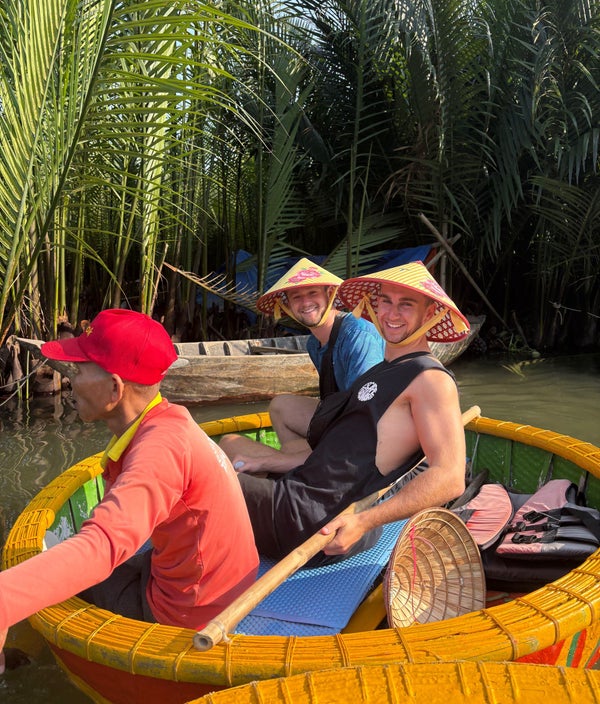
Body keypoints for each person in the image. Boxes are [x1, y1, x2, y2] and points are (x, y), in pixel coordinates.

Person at [0, 309, 258, 672]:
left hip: (193, 611)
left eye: (79, 369)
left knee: (54, 587)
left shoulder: (159, 450)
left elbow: (102, 547)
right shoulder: (168, 419)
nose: (70, 379)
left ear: (115, 388)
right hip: (208, 582)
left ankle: (26, 661)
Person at [224, 261, 471, 563]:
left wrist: (364, 522)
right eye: (385, 302)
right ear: (374, 306)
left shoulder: (430, 379)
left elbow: (450, 477)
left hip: (308, 521)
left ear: (430, 314)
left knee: (197, 466)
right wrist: (271, 463)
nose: (392, 314)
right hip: (300, 498)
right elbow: (344, 451)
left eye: (406, 305)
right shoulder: (385, 369)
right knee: (224, 452)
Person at [219, 257, 384, 468]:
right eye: (296, 297)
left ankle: (294, 465)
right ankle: (299, 467)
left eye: (313, 293)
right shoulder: (313, 344)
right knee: (280, 407)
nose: (305, 303)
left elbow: (367, 409)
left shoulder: (358, 334)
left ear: (330, 294)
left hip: (370, 432)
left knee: (249, 448)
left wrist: (275, 460)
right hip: (342, 420)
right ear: (287, 306)